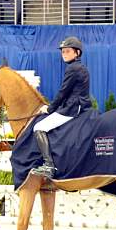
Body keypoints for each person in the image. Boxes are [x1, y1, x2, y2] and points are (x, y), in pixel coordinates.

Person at [33, 36, 92, 178]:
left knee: (39, 127)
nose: (64, 54)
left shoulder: (73, 68)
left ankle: (49, 165)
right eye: (63, 52)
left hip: (72, 108)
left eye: (67, 51)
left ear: (77, 53)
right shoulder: (79, 67)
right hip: (76, 104)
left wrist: (49, 108)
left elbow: (63, 92)